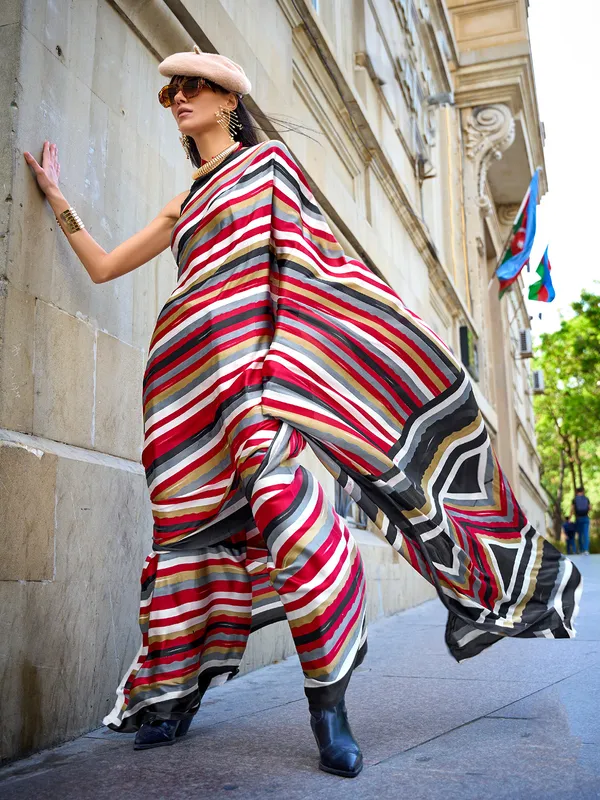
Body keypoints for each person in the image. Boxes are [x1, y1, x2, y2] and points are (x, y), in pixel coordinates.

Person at [24, 47, 583, 779]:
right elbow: (102, 266)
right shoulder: (183, 198)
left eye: (192, 87)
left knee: (297, 533)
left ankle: (329, 708)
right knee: (186, 540)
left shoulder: (270, 170)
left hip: (254, 388)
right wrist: (60, 200)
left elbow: (321, 271)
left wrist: (349, 349)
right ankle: (175, 692)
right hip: (178, 394)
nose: (179, 100)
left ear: (229, 101)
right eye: (170, 94)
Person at [572, 487, 591, 555]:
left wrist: (571, 517)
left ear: (577, 492)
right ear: (582, 491)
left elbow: (572, 509)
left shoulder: (574, 499)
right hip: (586, 518)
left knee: (580, 534)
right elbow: (590, 508)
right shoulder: (586, 498)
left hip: (579, 518)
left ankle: (581, 549)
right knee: (586, 534)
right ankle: (586, 550)